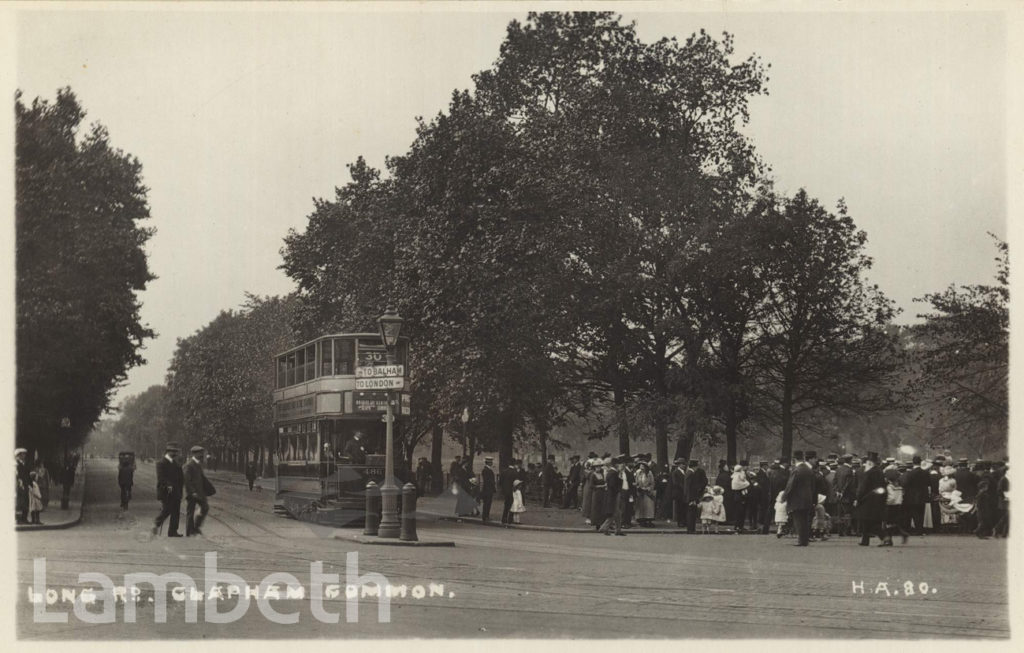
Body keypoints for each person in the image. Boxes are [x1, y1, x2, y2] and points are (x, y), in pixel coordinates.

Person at [782, 451, 817, 546]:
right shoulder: (809, 470)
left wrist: (784, 496)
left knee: (798, 520)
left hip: (797, 499)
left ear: (794, 459)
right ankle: (805, 540)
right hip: (807, 498)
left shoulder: (796, 470)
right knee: (805, 520)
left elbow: (790, 485)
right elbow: (813, 486)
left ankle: (801, 540)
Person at [854, 452, 888, 546]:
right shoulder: (879, 471)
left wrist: (858, 498)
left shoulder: (868, 473)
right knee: (868, 521)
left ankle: (885, 538)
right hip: (877, 500)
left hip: (868, 500)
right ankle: (865, 540)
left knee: (869, 521)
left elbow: (862, 488)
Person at [153, 442, 185, 537]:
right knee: (167, 509)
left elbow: (180, 477)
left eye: (175, 451)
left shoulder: (175, 463)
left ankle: (172, 531)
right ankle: (156, 524)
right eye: (173, 451)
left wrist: (180, 487)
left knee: (176, 511)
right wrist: (168, 485)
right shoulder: (161, 463)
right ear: (167, 451)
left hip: (176, 491)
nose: (174, 453)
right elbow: (161, 478)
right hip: (166, 491)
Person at [183, 445, 213, 537]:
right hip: (192, 493)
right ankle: (189, 532)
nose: (201, 455)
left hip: (200, 493)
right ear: (194, 454)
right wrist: (192, 492)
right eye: (199, 453)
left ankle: (196, 528)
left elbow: (201, 479)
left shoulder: (198, 464)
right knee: (190, 512)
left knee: (205, 507)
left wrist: (208, 488)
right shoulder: (189, 465)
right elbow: (187, 480)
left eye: (201, 453)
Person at [901, 455, 930, 535]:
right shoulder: (925, 473)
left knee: (913, 513)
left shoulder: (910, 474)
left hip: (912, 496)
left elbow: (906, 484)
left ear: (913, 463)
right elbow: (928, 483)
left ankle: (911, 529)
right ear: (920, 462)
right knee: (921, 513)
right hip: (922, 495)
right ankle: (920, 530)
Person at [599, 455, 626, 536]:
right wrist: (619, 490)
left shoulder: (612, 472)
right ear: (615, 465)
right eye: (619, 464)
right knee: (615, 512)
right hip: (614, 495)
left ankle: (617, 530)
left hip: (612, 495)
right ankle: (604, 527)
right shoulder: (613, 473)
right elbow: (613, 485)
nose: (620, 465)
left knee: (618, 513)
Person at [684, 460, 708, 534]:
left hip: (692, 497)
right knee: (691, 514)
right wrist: (692, 499)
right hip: (691, 497)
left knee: (692, 513)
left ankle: (691, 529)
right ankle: (691, 529)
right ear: (694, 466)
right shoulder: (690, 473)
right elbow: (688, 488)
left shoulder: (690, 473)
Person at [731, 462, 751, 533]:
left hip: (741, 497)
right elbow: (745, 484)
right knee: (739, 512)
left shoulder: (737, 476)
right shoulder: (737, 477)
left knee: (742, 512)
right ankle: (738, 526)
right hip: (739, 497)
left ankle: (740, 526)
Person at [669, 458, 687, 527]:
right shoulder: (675, 472)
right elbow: (676, 483)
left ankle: (684, 521)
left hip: (683, 492)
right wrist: (683, 487)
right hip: (678, 492)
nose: (684, 465)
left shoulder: (684, 472)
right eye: (682, 464)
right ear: (679, 465)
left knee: (683, 507)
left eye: (684, 464)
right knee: (679, 508)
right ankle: (680, 522)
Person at [16, 448, 31, 524]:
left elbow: (28, 475)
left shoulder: (25, 463)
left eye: (24, 454)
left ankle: (25, 518)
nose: (24, 455)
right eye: (22, 454)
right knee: (20, 502)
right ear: (19, 455)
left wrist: (30, 484)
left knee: (26, 501)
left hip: (25, 485)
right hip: (20, 485)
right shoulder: (16, 464)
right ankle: (19, 519)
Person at [500, 460, 517, 525]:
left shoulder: (504, 472)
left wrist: (503, 489)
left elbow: (500, 482)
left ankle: (504, 518)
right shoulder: (515, 472)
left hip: (505, 491)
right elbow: (516, 483)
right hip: (512, 491)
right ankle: (510, 519)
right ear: (514, 464)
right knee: (512, 505)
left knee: (506, 505)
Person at [480, 457, 496, 522]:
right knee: (487, 503)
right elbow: (488, 481)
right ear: (488, 463)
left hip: (488, 489)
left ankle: (486, 516)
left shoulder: (487, 470)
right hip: (487, 489)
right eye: (491, 462)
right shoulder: (486, 470)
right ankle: (485, 516)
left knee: (488, 503)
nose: (492, 463)